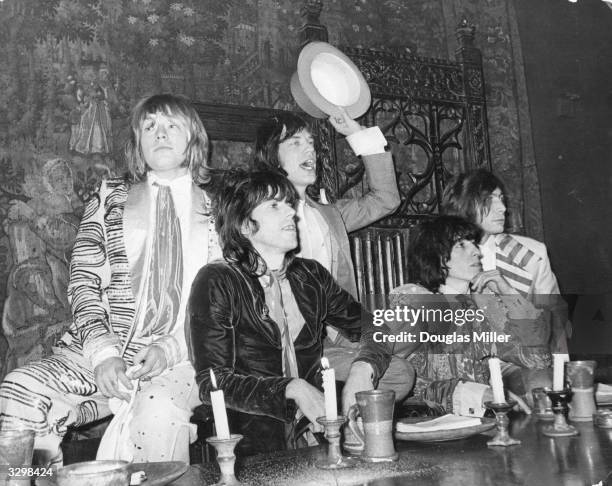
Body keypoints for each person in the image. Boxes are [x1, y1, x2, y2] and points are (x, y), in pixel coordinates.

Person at [0, 93, 220, 465]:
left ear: (193, 138)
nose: (160, 134)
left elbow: (221, 302)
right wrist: (104, 354)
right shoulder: (108, 199)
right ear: (138, 144)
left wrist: (170, 349)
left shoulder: (222, 210)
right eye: (149, 127)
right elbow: (83, 282)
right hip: (105, 355)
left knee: (157, 412)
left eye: (171, 125)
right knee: (19, 389)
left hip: (187, 355)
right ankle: (27, 478)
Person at [188, 170, 394, 455]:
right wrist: (290, 388)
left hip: (319, 430)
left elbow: (374, 325)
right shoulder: (217, 280)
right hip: (254, 438)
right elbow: (212, 382)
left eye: (288, 203)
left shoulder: (309, 275)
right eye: (275, 205)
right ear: (245, 225)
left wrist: (363, 369)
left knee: (395, 375)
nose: (291, 213)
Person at [253, 110, 413, 402]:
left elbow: (386, 199)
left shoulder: (328, 214)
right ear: (274, 158)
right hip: (288, 347)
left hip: (339, 337)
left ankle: (347, 396)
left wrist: (357, 133)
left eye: (311, 142)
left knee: (414, 332)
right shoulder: (255, 218)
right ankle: (330, 411)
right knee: (397, 370)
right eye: (295, 142)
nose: (310, 149)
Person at [390, 216, 551, 416]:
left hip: (480, 417)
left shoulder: (477, 306)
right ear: (437, 256)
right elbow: (401, 382)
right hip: (427, 420)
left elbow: (535, 359)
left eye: (473, 244)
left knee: (543, 380)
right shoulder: (414, 300)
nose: (476, 251)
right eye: (461, 245)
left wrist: (507, 292)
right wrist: (479, 393)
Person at [441, 169, 570, 395]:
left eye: (501, 199)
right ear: (463, 205)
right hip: (460, 365)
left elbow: (554, 323)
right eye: (489, 200)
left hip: (516, 362)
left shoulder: (531, 255)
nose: (502, 208)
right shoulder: (439, 253)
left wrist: (562, 376)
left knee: (539, 382)